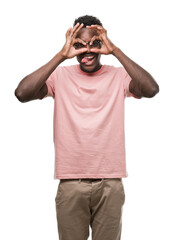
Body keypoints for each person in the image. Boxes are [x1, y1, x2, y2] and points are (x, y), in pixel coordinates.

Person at [15, 15, 159, 240]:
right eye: (79, 45)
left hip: (110, 181)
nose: (87, 50)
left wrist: (116, 51)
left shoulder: (119, 76)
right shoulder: (59, 77)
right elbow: (22, 93)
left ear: (102, 43)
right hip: (71, 182)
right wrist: (61, 55)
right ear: (72, 45)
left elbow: (151, 89)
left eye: (94, 43)